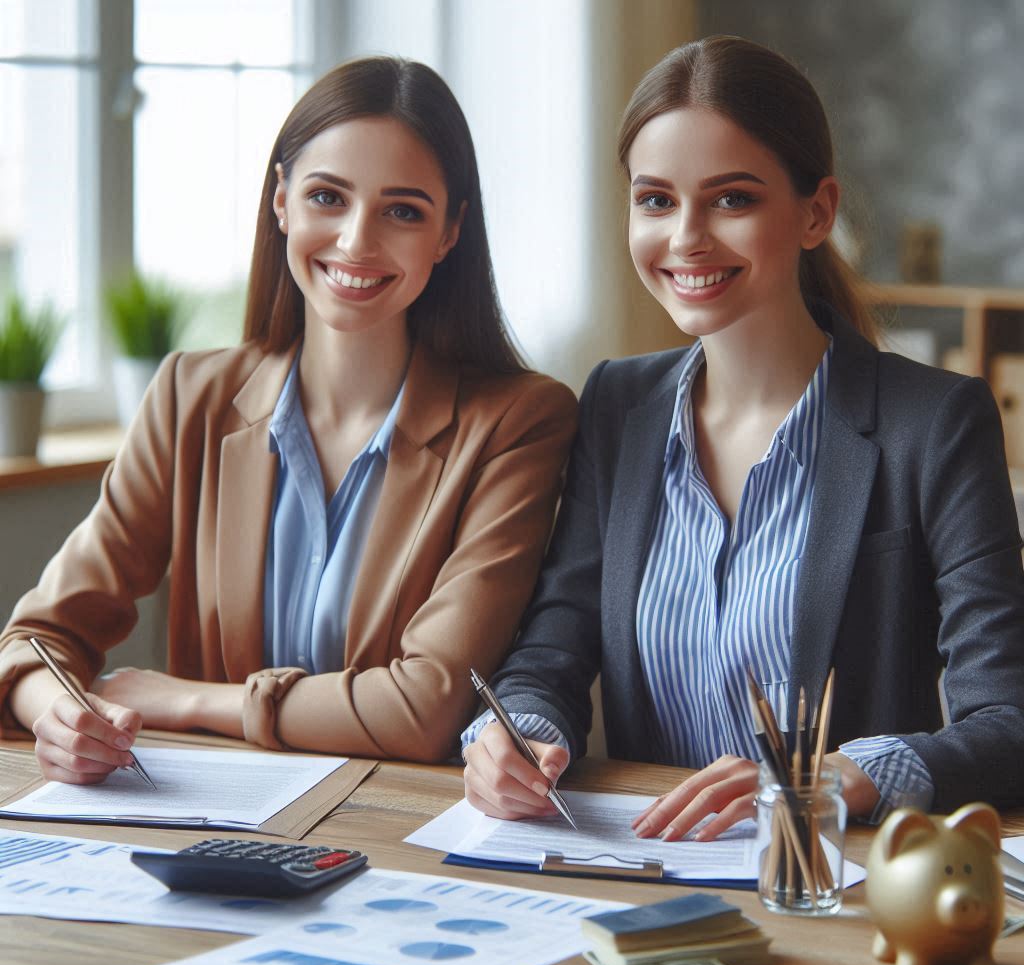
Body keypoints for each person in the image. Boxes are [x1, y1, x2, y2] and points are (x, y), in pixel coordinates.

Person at [462, 35, 1024, 838]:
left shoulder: (934, 424)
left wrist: (842, 774)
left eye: (731, 199)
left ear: (815, 212)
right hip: (642, 872)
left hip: (830, 884)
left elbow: (1009, 717)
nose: (686, 237)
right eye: (656, 199)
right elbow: (554, 643)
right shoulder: (619, 405)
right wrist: (515, 731)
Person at [0, 56, 577, 783]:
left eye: (403, 210)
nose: (357, 242)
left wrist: (192, 701)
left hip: (401, 829)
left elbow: (426, 708)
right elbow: (36, 637)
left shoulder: (519, 423)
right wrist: (53, 709)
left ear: (450, 232)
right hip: (207, 822)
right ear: (282, 202)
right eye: (328, 197)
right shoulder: (190, 396)